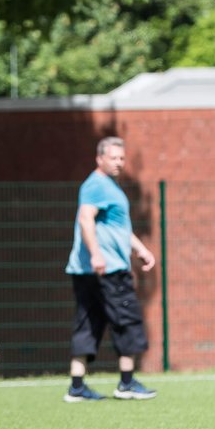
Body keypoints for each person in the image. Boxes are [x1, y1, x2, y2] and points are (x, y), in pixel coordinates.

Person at [63, 136, 158, 402]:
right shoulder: (97, 185)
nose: (118, 163)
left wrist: (140, 250)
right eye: (113, 158)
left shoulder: (108, 187)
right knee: (126, 319)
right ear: (99, 159)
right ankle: (126, 383)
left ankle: (77, 386)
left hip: (88, 270)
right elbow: (85, 219)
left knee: (88, 322)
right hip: (107, 268)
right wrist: (96, 254)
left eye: (121, 158)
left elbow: (118, 229)